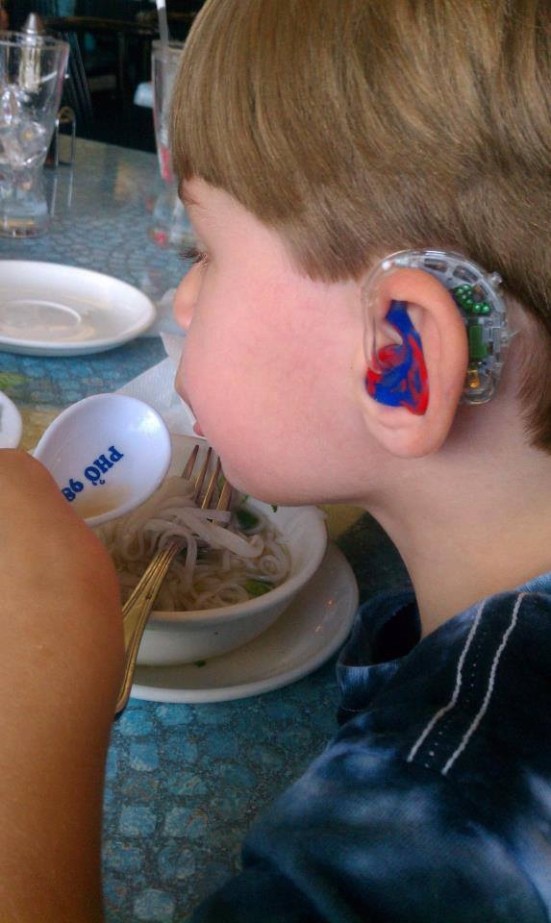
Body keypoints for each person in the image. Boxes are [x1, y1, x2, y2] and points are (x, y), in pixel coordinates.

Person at [2, 0, 551, 919]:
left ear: (400, 360)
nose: (181, 300)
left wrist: (30, 699)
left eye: (205, 250)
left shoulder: (452, 807)